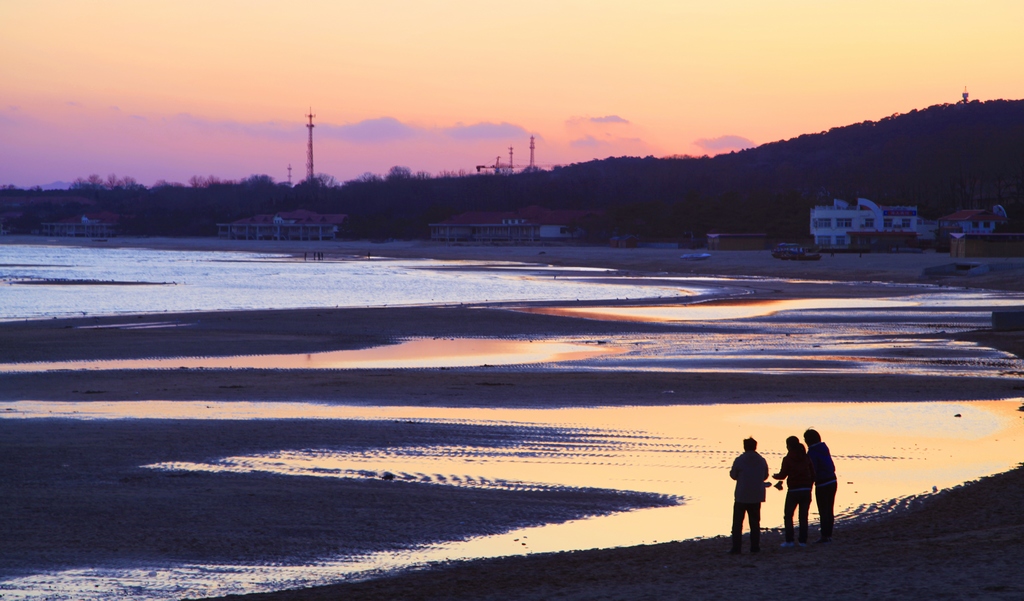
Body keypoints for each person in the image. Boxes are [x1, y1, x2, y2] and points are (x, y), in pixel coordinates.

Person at [728, 437, 769, 554]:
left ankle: (736, 548)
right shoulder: (761, 460)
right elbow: (765, 476)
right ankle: (755, 547)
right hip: (756, 495)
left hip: (742, 495)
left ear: (745, 447)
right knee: (755, 523)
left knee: (737, 523)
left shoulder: (740, 460)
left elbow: (733, 475)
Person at [773, 435, 815, 547]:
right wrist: (809, 485)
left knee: (788, 515)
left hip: (794, 490)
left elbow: (783, 474)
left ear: (789, 446)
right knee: (803, 516)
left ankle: (789, 540)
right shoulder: (806, 457)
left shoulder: (788, 458)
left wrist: (775, 476)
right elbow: (813, 473)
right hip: (806, 490)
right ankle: (802, 541)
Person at [804, 428, 837, 543]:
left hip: (823, 483)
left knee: (823, 510)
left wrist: (809, 484)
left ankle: (824, 536)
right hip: (832, 480)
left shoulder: (812, 452)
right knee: (829, 509)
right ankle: (829, 534)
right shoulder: (824, 448)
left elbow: (813, 470)